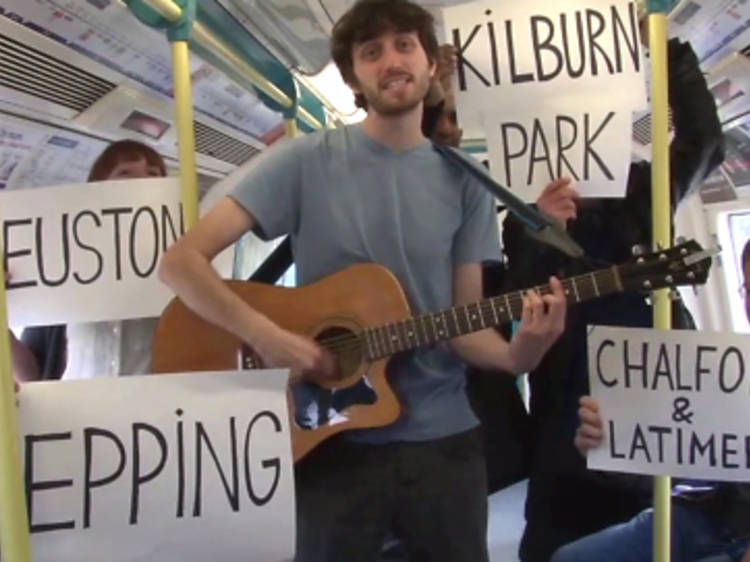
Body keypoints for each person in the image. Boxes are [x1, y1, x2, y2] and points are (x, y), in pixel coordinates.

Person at [157, 1, 567, 560]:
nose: (391, 61)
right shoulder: (304, 161)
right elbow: (181, 263)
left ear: (429, 64)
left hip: (444, 446)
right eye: (371, 52)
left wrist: (523, 354)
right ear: (353, 76)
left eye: (405, 45)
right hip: (331, 439)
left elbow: (464, 326)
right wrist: (270, 338)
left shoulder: (467, 183)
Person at [502, 35, 725, 562]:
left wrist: (663, 51)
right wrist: (541, 230)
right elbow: (516, 309)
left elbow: (705, 142)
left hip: (654, 409)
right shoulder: (522, 218)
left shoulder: (644, 192)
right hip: (565, 428)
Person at [11, 140, 167, 382]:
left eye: (153, 174)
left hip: (153, 412)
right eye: (125, 173)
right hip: (77, 414)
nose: (142, 182)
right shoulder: (60, 267)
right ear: (96, 188)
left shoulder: (179, 266)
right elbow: (31, 375)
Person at [551, 389, 750, 562]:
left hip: (734, 526)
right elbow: (675, 459)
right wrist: (607, 449)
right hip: (709, 506)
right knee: (572, 558)